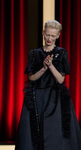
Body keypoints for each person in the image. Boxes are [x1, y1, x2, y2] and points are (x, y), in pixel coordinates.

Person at [15, 20, 81, 150]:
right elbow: (31, 78)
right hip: (37, 96)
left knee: (54, 134)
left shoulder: (62, 53)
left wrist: (50, 66)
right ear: (43, 33)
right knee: (34, 134)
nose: (49, 38)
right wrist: (43, 68)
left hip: (55, 98)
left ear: (57, 36)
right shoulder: (34, 53)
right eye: (47, 34)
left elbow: (60, 80)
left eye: (52, 35)